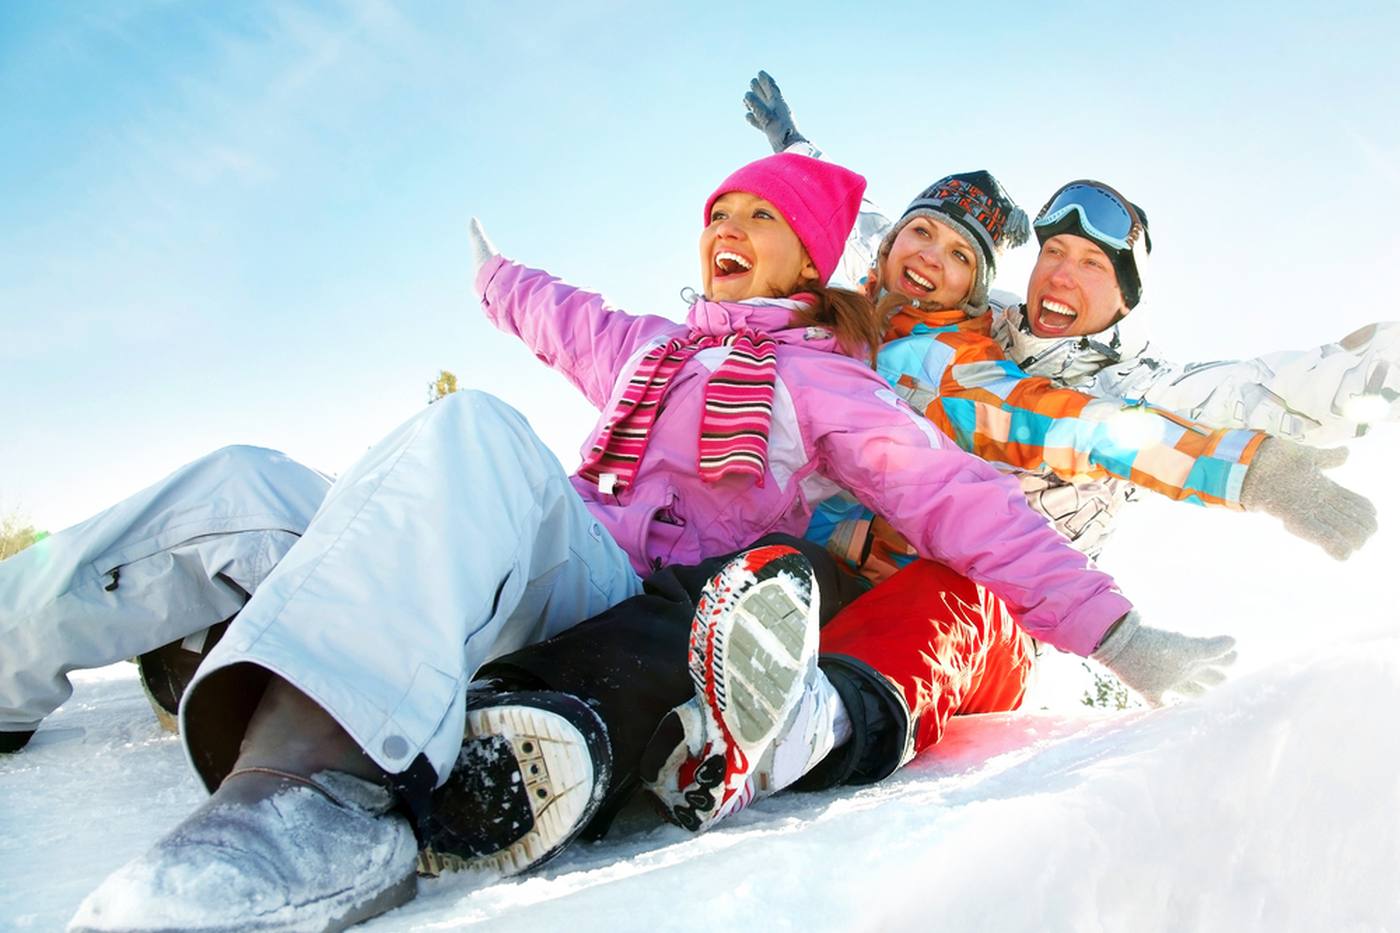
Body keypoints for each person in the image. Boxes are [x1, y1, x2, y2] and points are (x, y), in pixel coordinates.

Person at [55, 153, 1166, 932]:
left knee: (472, 436)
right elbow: (561, 313)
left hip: (618, 592)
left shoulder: (838, 380)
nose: (727, 233)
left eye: (760, 220)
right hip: (551, 543)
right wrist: (495, 276)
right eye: (717, 215)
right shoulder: (651, 347)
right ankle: (25, 656)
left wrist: (1111, 629)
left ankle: (313, 788)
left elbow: (962, 500)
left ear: (814, 258)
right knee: (245, 480)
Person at [465, 167, 1378, 844]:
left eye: (960, 257)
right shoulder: (827, 330)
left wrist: (1261, 476)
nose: (931, 262)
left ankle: (809, 726)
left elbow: (1107, 433)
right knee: (763, 571)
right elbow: (813, 223)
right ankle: (576, 712)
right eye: (920, 239)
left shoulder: (968, 370)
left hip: (993, 605)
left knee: (948, 583)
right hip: (814, 588)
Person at [743, 69, 1400, 556]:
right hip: (869, 539)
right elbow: (877, 229)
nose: (1062, 273)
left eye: (1093, 265)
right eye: (1055, 251)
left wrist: (1345, 388)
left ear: (1123, 299)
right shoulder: (980, 317)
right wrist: (794, 148)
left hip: (1000, 592)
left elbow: (1235, 390)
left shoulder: (1133, 384)